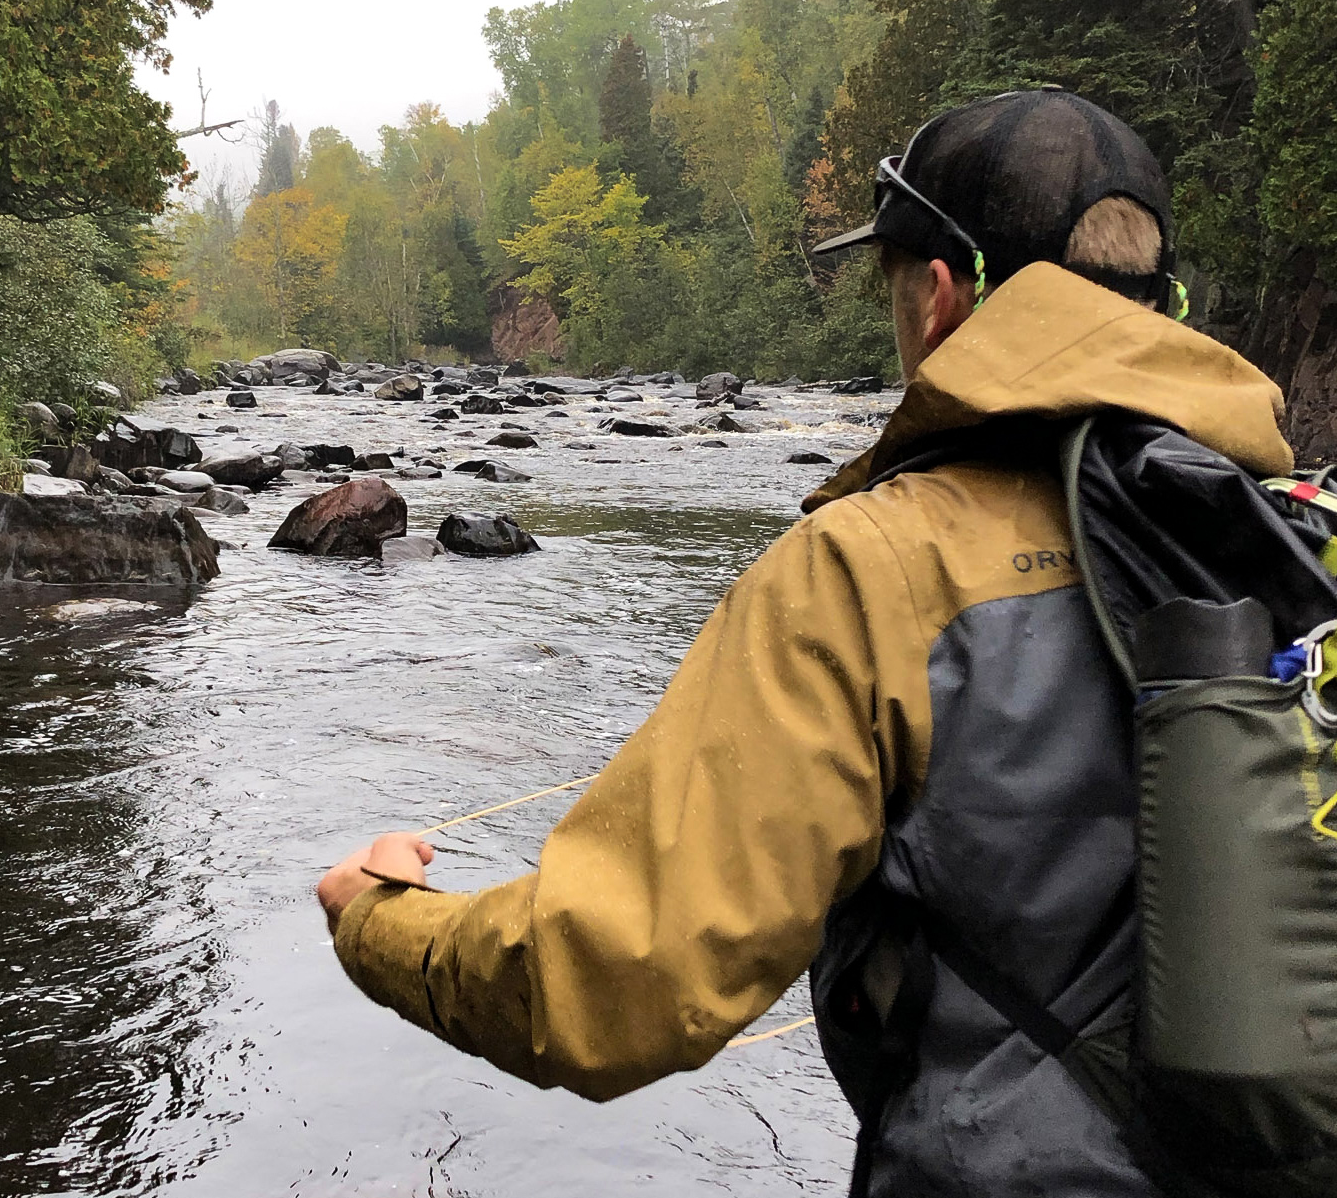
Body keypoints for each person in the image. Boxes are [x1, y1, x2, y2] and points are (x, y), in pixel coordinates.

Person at [315, 88, 1296, 1196]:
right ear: (1164, 305)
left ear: (937, 299)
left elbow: (611, 985)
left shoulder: (866, 571)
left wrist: (379, 924)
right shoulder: (1298, 532)